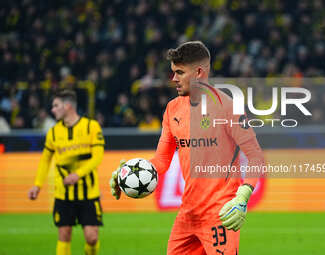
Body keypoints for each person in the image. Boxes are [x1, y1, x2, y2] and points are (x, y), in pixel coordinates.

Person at [110, 41, 264, 255]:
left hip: (220, 213)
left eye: (180, 72)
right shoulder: (172, 109)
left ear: (199, 72)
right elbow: (161, 161)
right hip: (188, 214)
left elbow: (256, 156)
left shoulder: (228, 107)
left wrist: (242, 196)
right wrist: (130, 171)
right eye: (173, 72)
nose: (173, 79)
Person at [28, 89, 105, 255]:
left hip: (89, 194)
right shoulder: (53, 132)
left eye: (56, 105)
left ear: (68, 106)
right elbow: (45, 160)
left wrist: (78, 174)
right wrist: (37, 185)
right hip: (63, 194)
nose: (52, 109)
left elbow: (97, 157)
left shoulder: (91, 127)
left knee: (92, 238)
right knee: (64, 235)